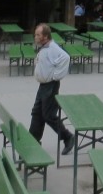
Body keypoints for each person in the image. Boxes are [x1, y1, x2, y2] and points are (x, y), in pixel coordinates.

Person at [29, 23, 75, 155]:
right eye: (35, 34)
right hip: (43, 85)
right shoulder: (44, 47)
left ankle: (67, 137)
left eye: (38, 35)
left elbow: (66, 58)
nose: (35, 37)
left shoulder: (53, 47)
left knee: (48, 115)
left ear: (45, 36)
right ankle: (33, 141)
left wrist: (55, 76)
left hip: (50, 85)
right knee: (37, 112)